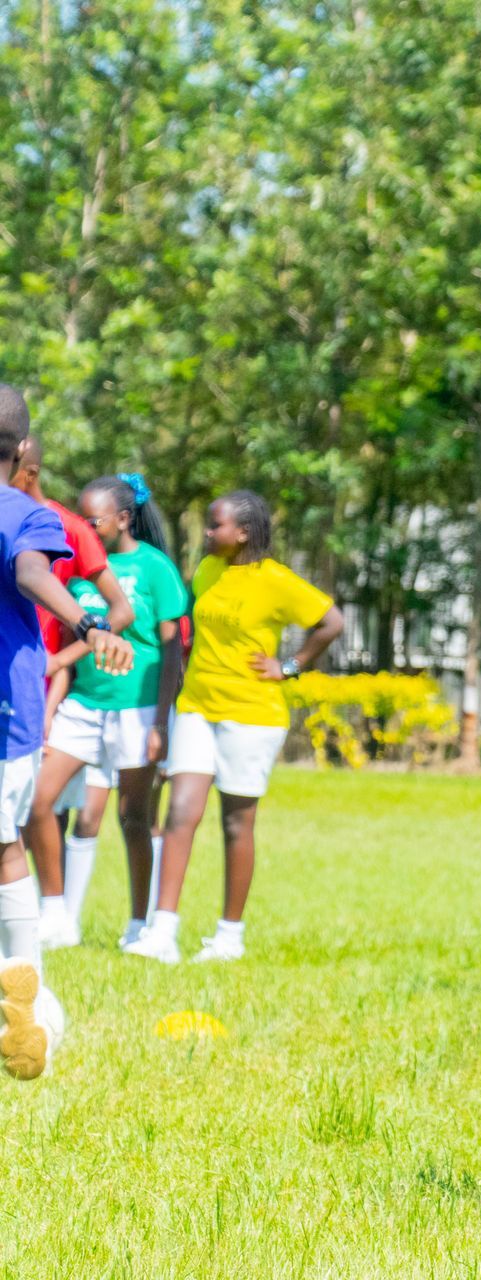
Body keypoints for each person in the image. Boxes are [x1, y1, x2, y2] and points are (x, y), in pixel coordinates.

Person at [126, 491, 344, 964]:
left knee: (235, 823)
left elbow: (331, 621)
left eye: (215, 526)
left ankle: (229, 937)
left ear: (243, 532)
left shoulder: (277, 581)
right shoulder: (207, 571)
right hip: (198, 708)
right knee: (181, 812)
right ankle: (163, 932)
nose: (207, 533)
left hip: (251, 715)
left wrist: (290, 666)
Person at [0, 399, 133, 1080]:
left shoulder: (47, 515)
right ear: (23, 450)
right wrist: (87, 626)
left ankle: (26, 997)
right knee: (6, 845)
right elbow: (30, 573)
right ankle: (32, 992)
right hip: (9, 711)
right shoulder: (29, 514)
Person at [27, 475, 188, 952]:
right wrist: (53, 703)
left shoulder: (155, 568)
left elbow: (172, 651)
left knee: (134, 816)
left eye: (92, 520)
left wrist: (161, 721)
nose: (85, 528)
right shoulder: (76, 570)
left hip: (137, 708)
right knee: (39, 800)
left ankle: (142, 925)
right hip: (85, 704)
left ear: (123, 519)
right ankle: (56, 916)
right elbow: (69, 639)